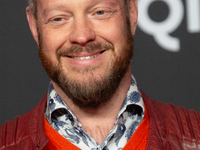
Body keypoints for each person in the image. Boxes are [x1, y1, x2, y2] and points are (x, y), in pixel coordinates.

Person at [0, 0, 200, 149]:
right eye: (58, 18)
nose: (81, 36)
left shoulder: (195, 138)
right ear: (34, 26)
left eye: (100, 12)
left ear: (131, 12)